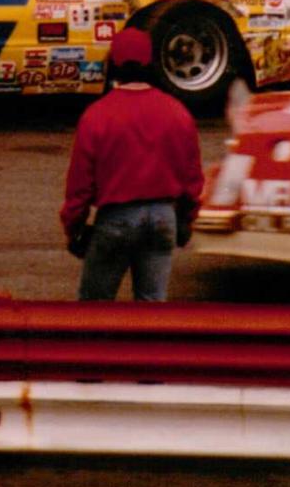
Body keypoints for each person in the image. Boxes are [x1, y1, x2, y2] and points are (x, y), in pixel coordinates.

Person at [60, 26, 203, 302]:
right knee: (151, 305)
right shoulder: (177, 112)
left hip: (116, 218)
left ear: (113, 64)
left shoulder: (97, 115)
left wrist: (74, 228)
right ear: (151, 62)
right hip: (163, 218)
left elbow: (80, 185)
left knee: (94, 307)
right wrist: (186, 220)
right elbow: (192, 178)